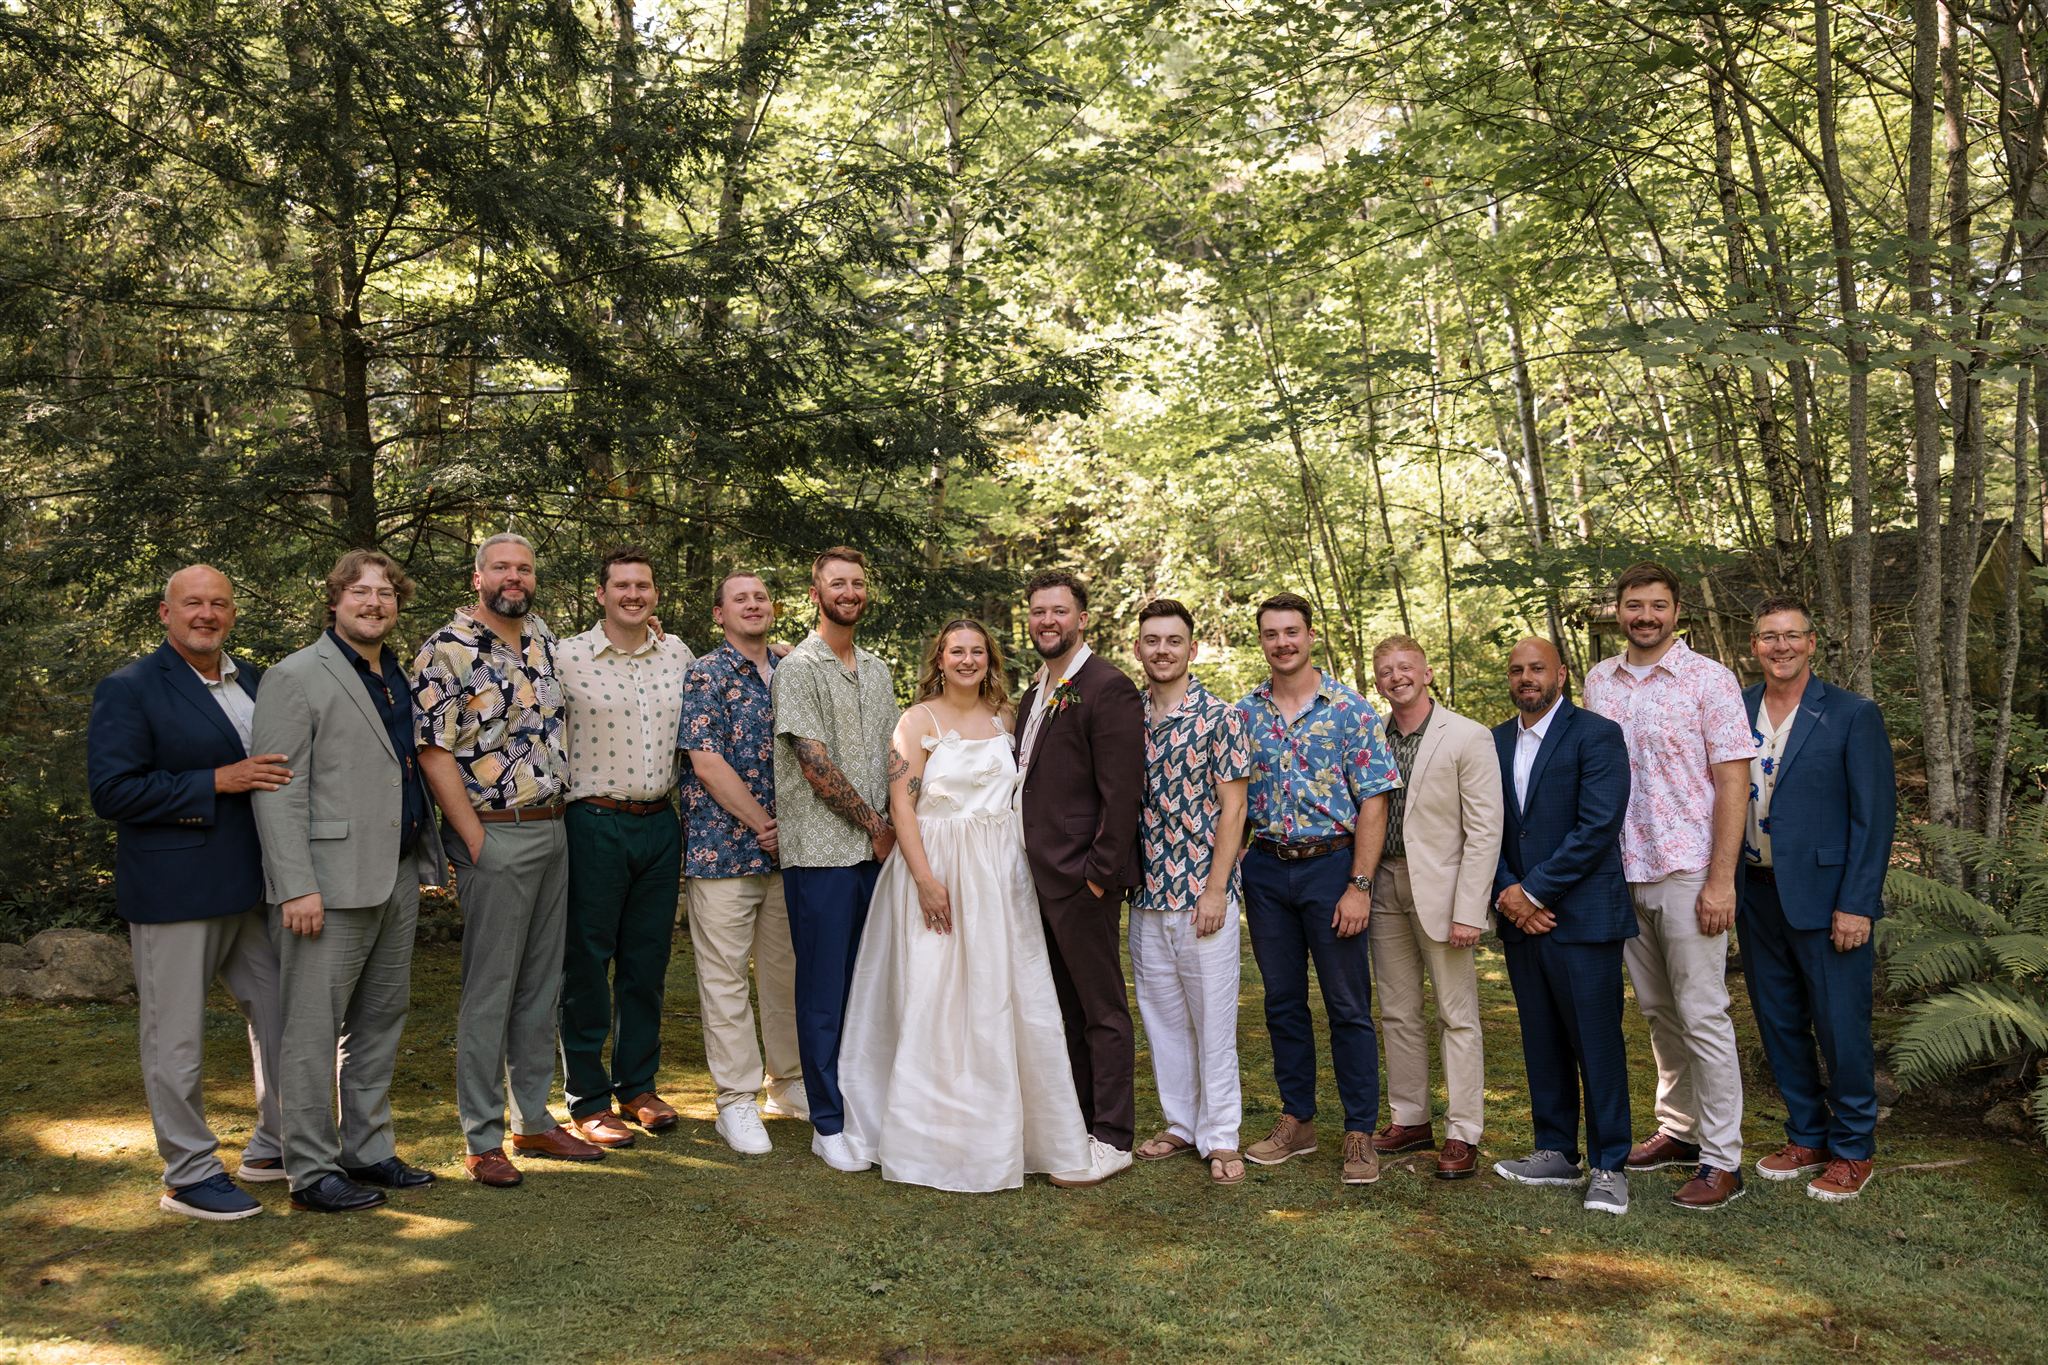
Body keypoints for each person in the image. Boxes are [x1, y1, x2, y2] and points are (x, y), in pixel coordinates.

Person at [838, 620, 1095, 1190]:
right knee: (933, 994)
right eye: (957, 650)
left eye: (978, 651)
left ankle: (1015, 1131)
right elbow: (902, 808)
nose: (968, 659)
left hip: (1001, 874)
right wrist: (926, 880)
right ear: (940, 657)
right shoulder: (916, 721)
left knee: (1005, 995)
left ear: (989, 659)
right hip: (936, 865)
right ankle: (930, 1134)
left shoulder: (1008, 719)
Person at [87, 564, 288, 1221]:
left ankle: (275, 1145)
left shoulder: (257, 680)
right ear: (164, 614)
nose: (208, 613)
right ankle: (189, 1173)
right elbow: (112, 791)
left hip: (255, 884)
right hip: (175, 889)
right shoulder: (132, 688)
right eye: (193, 603)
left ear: (232, 613)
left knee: (285, 1016)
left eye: (220, 603)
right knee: (176, 1038)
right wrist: (216, 781)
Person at [250, 549, 447, 1213]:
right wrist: (295, 884)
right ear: (333, 601)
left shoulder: (398, 675)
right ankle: (309, 1170)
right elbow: (278, 789)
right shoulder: (295, 676)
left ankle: (368, 1148)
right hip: (325, 886)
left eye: (386, 592)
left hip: (394, 872)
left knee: (380, 1020)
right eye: (360, 591)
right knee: (311, 1028)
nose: (374, 602)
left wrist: (426, 858)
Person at [412, 532, 603, 1187]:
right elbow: (434, 751)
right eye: (502, 566)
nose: (514, 576)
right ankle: (482, 1135)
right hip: (493, 833)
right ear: (478, 576)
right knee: (490, 989)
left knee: (540, 985)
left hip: (554, 829)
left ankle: (534, 1118)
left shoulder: (543, 638)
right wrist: (472, 839)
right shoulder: (446, 648)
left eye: (523, 566)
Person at [1582, 562, 1757, 1211]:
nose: (1645, 615)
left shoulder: (1709, 680)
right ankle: (1680, 1129)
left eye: (1657, 604)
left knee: (1703, 1011)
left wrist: (1720, 878)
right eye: (1635, 604)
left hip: (1689, 870)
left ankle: (1723, 1157)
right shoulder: (1600, 681)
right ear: (1620, 609)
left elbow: (1735, 780)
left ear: (1676, 610)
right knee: (1658, 1011)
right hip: (1622, 873)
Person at [1234, 592, 1402, 1187]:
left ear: (1311, 637)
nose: (1283, 642)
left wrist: (1359, 885)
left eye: (1292, 632)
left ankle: (1359, 1131)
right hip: (1267, 869)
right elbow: (1229, 800)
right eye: (1271, 633)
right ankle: (1296, 1120)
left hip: (1332, 868)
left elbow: (1375, 800)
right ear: (1263, 641)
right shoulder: (1245, 713)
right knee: (1281, 1002)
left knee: (1348, 1005)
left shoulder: (1349, 710)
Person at [1739, 596, 1895, 1202]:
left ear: (1811, 643)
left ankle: (1854, 1146)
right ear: (1754, 646)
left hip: (1829, 899)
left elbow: (1874, 818)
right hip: (1754, 894)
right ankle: (1806, 1134)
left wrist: (1857, 903)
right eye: (1768, 636)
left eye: (1791, 636)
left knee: (1840, 1025)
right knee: (1779, 1022)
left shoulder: (1852, 715)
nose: (1780, 646)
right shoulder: (1738, 708)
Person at [1489, 638, 1638, 1216]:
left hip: (1581, 917)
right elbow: (1486, 826)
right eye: (1517, 670)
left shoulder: (1597, 735)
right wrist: (1507, 892)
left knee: (1595, 1042)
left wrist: (1532, 891)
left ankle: (1609, 1164)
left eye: (1537, 668)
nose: (1527, 678)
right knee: (1541, 1038)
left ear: (1561, 674)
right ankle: (1555, 1149)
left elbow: (1599, 825)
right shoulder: (1495, 741)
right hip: (1519, 917)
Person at [555, 547, 693, 1149]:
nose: (633, 595)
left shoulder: (679, 655)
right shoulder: (566, 657)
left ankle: (637, 1085)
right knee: (587, 960)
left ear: (655, 594)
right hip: (593, 821)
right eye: (622, 586)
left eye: (643, 585)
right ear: (601, 594)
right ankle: (586, 1098)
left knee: (647, 961)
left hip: (660, 823)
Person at [1014, 569, 1145, 1184]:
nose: (1048, 621)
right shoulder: (1034, 691)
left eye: (1059, 611)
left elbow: (1123, 795)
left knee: (1102, 1010)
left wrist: (1099, 876)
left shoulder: (1108, 687)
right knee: (1062, 1008)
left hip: (1081, 881)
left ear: (1082, 618)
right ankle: (1080, 1122)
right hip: (1035, 881)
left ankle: (1114, 1136)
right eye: (1038, 612)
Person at [771, 547, 899, 1173]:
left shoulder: (877, 670)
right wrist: (877, 825)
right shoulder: (798, 668)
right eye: (836, 583)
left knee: (869, 985)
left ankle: (863, 1107)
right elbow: (816, 767)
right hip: (822, 855)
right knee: (823, 990)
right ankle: (827, 1121)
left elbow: (896, 760)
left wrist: (900, 825)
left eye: (857, 582)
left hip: (878, 855)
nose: (849, 591)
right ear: (815, 593)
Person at [1366, 635, 1503, 1180]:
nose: (1395, 676)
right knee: (1398, 1012)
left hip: (1444, 895)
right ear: (1376, 680)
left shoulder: (1467, 736)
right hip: (1383, 887)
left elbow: (1485, 829)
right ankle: (1410, 1118)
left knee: (1457, 1015)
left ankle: (1463, 1130)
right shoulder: (1370, 736)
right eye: (1385, 670)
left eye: (1405, 667)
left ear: (1426, 672)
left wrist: (1471, 908)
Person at [678, 570, 804, 1155]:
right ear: (719, 615)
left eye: (760, 597)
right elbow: (706, 761)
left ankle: (790, 1084)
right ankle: (735, 1101)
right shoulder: (705, 673)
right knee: (725, 981)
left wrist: (789, 836)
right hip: (725, 852)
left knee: (786, 977)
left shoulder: (791, 671)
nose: (752, 605)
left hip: (790, 857)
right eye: (739, 599)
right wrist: (764, 827)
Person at [1127, 599, 1251, 1187]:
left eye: (1173, 641)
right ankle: (1180, 1123)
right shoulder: (1130, 718)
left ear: (1191, 649)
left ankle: (1222, 1133)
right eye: (1152, 640)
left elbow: (1235, 807)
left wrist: (1217, 888)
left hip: (1203, 894)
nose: (1162, 650)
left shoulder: (1221, 718)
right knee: (1163, 1017)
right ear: (1138, 649)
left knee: (1213, 1021)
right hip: (1146, 893)